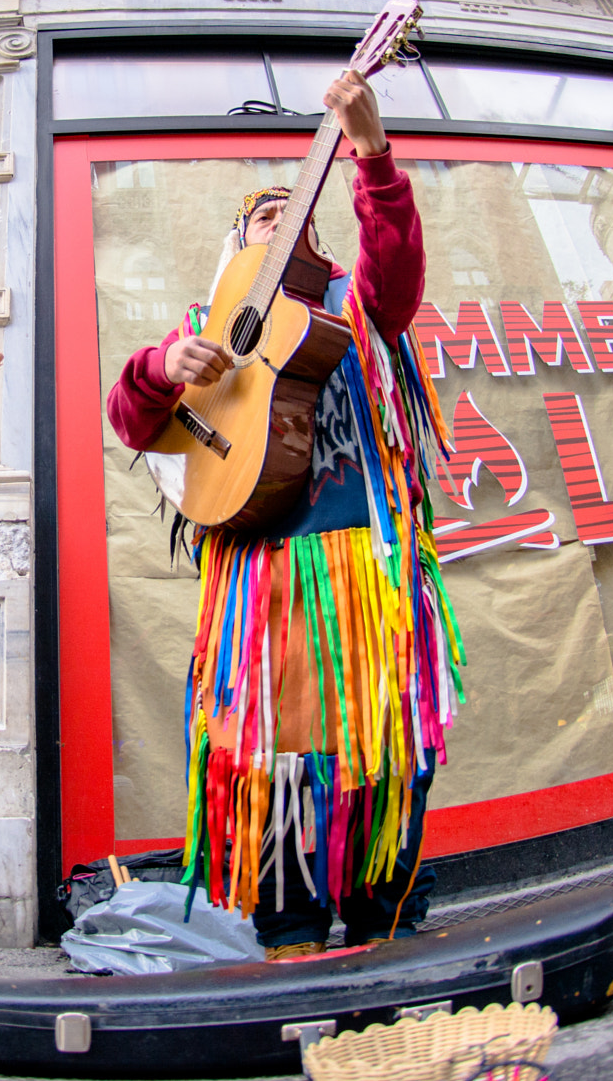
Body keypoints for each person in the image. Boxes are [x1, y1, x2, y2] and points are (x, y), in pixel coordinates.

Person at [106, 72, 461, 960]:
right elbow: (133, 423)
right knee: (270, 757)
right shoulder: (205, 329)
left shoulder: (357, 306)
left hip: (365, 568)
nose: (281, 223)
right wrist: (159, 366)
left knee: (380, 745)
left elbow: (401, 273)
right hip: (260, 581)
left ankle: (387, 925)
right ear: (235, 250)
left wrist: (373, 155)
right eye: (264, 218)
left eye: (295, 214)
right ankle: (290, 931)